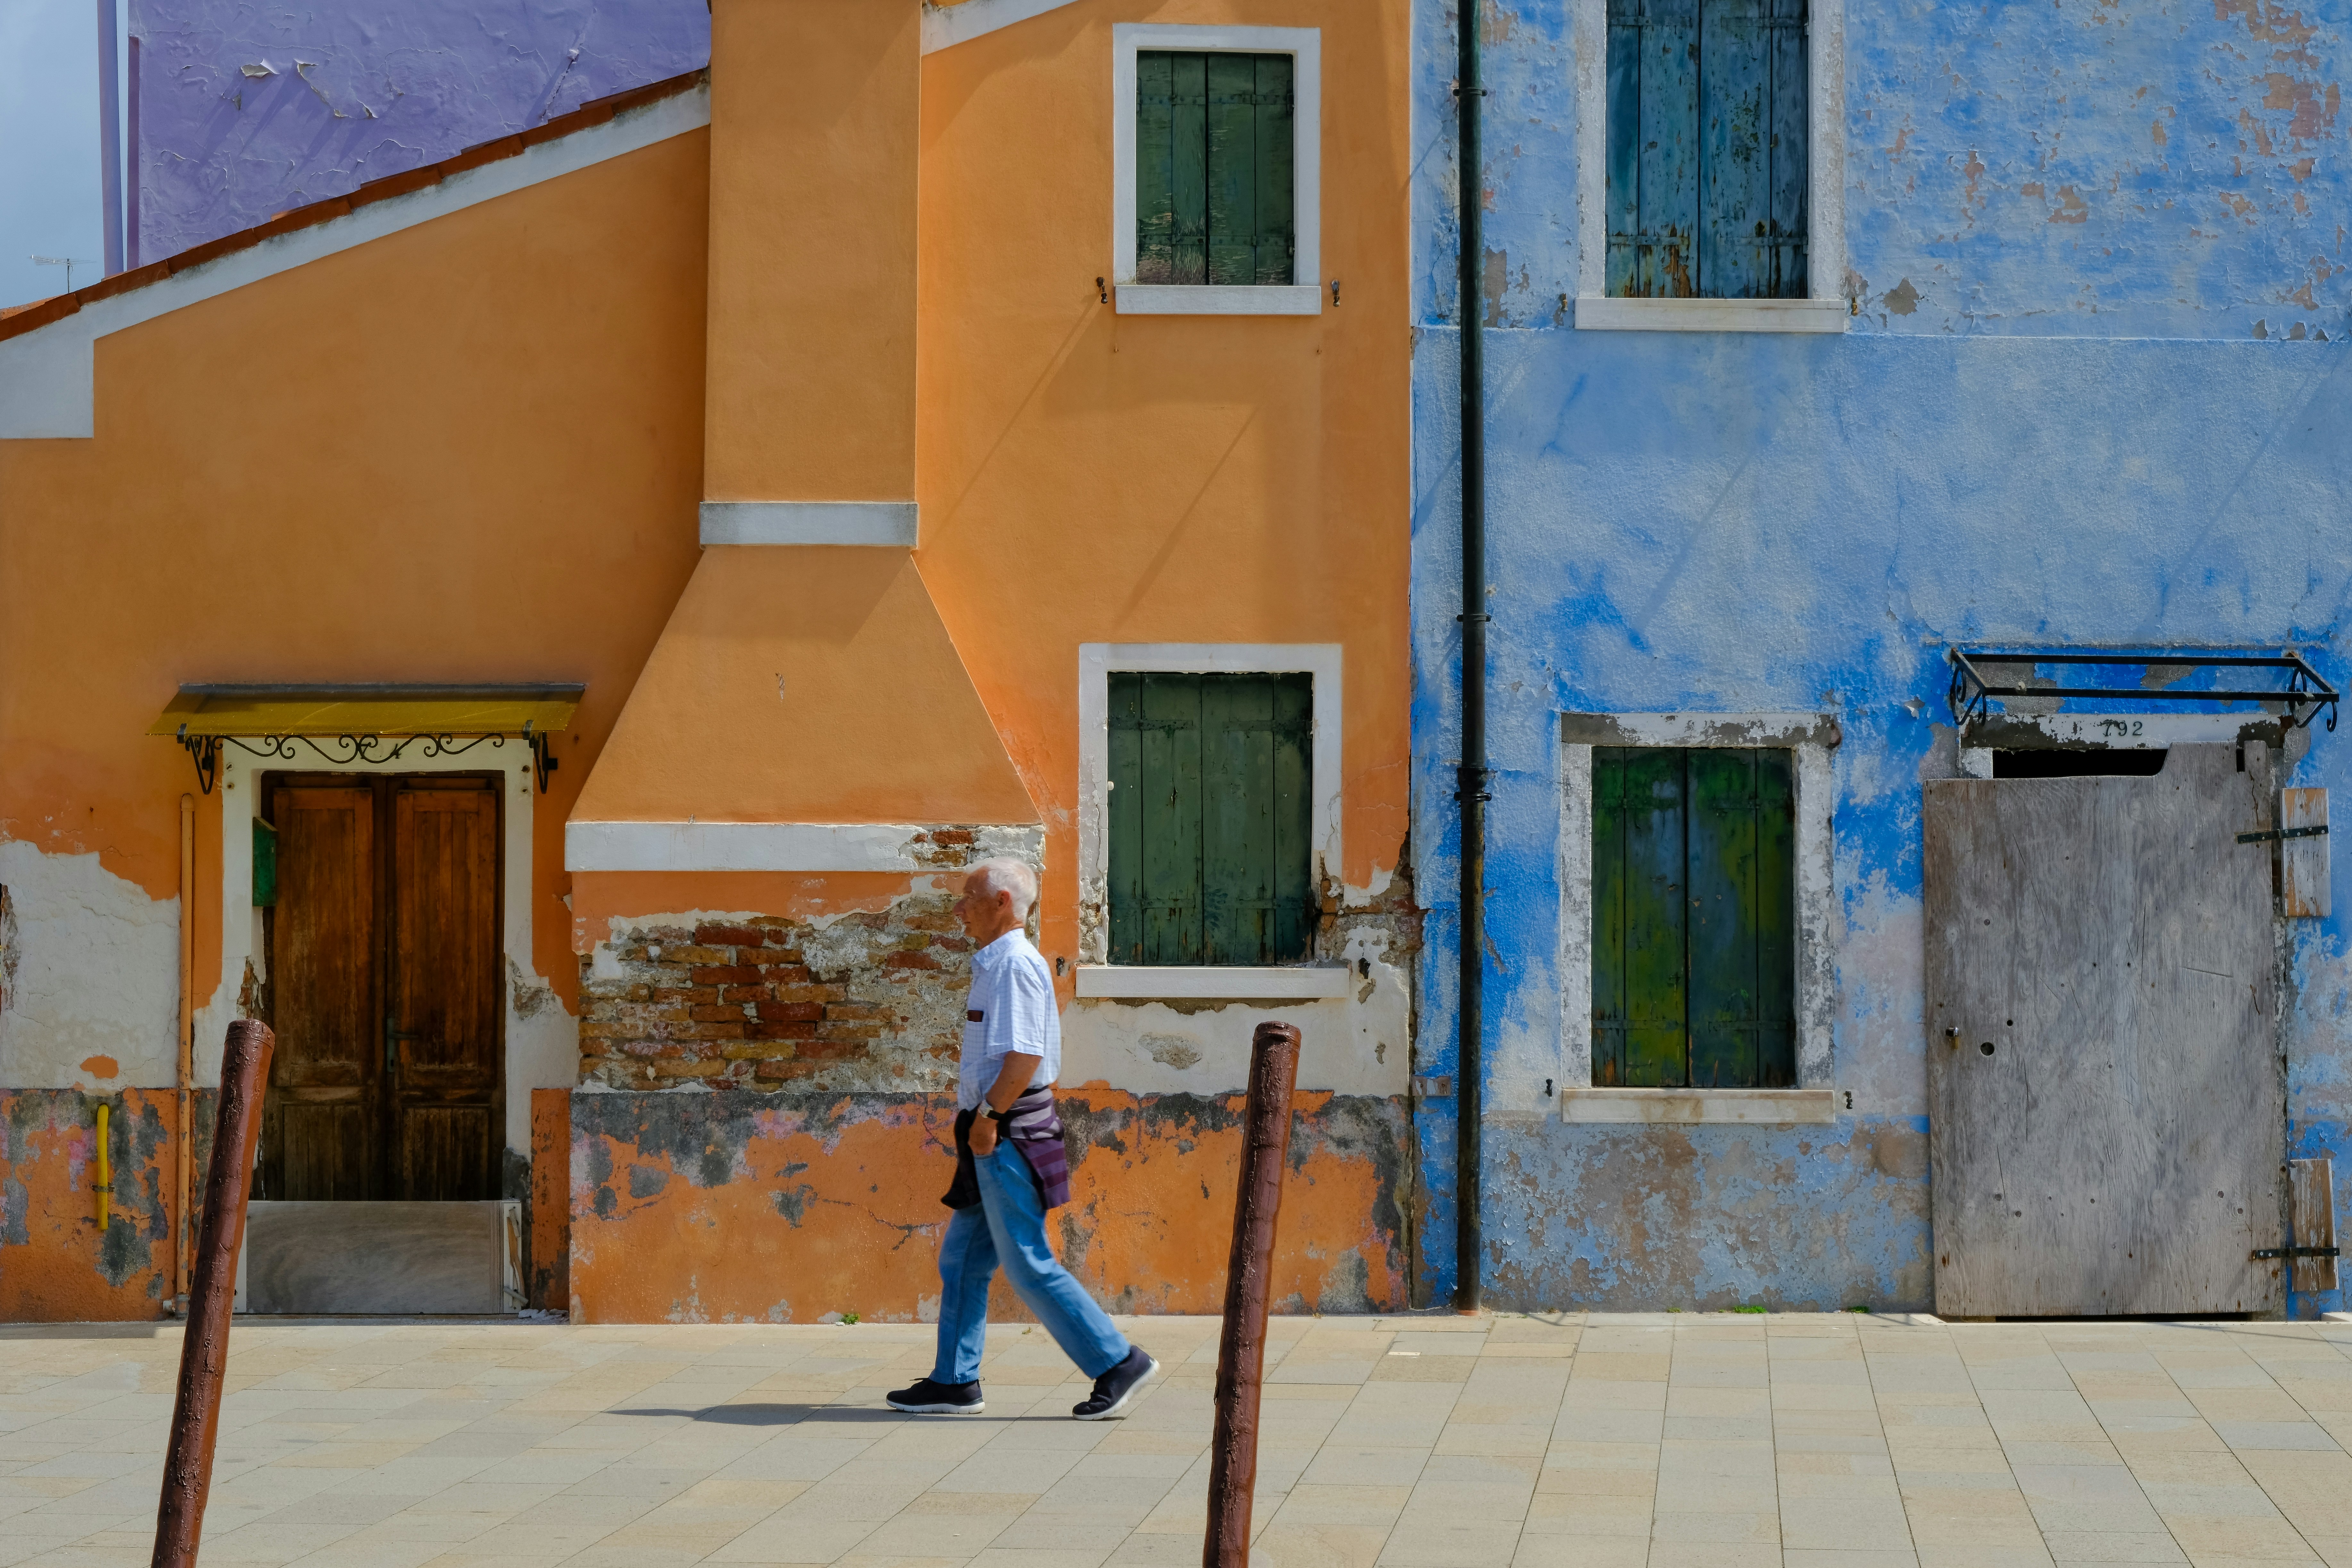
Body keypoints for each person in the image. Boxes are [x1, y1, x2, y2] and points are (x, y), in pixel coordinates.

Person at [886, 857, 1158, 1419]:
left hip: (1007, 1131)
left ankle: (1117, 1361)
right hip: (993, 1128)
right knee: (962, 1261)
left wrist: (987, 1116)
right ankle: (954, 1381)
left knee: (1028, 1261)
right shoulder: (995, 964)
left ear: (1002, 902)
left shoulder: (1013, 965)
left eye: (968, 898)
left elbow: (1025, 1055)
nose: (958, 909)